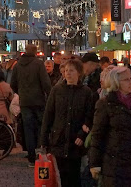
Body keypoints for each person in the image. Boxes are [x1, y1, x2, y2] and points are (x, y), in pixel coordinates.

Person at [89, 66, 131, 186]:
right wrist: (95, 163)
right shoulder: (105, 104)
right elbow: (97, 135)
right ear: (116, 82)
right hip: (115, 164)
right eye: (126, 80)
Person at [39, 59, 94, 187]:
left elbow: (89, 116)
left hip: (76, 141)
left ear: (78, 73)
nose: (68, 73)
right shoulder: (57, 90)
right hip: (59, 138)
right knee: (63, 175)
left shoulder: (86, 92)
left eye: (71, 70)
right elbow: (48, 115)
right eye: (66, 71)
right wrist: (43, 140)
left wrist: (82, 134)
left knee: (75, 174)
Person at [11, 44, 52, 166]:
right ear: (35, 52)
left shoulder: (18, 65)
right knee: (40, 126)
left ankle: (31, 156)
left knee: (28, 128)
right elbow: (45, 82)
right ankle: (40, 151)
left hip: (24, 101)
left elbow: (13, 83)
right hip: (38, 100)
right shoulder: (38, 64)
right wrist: (49, 94)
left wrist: (22, 92)